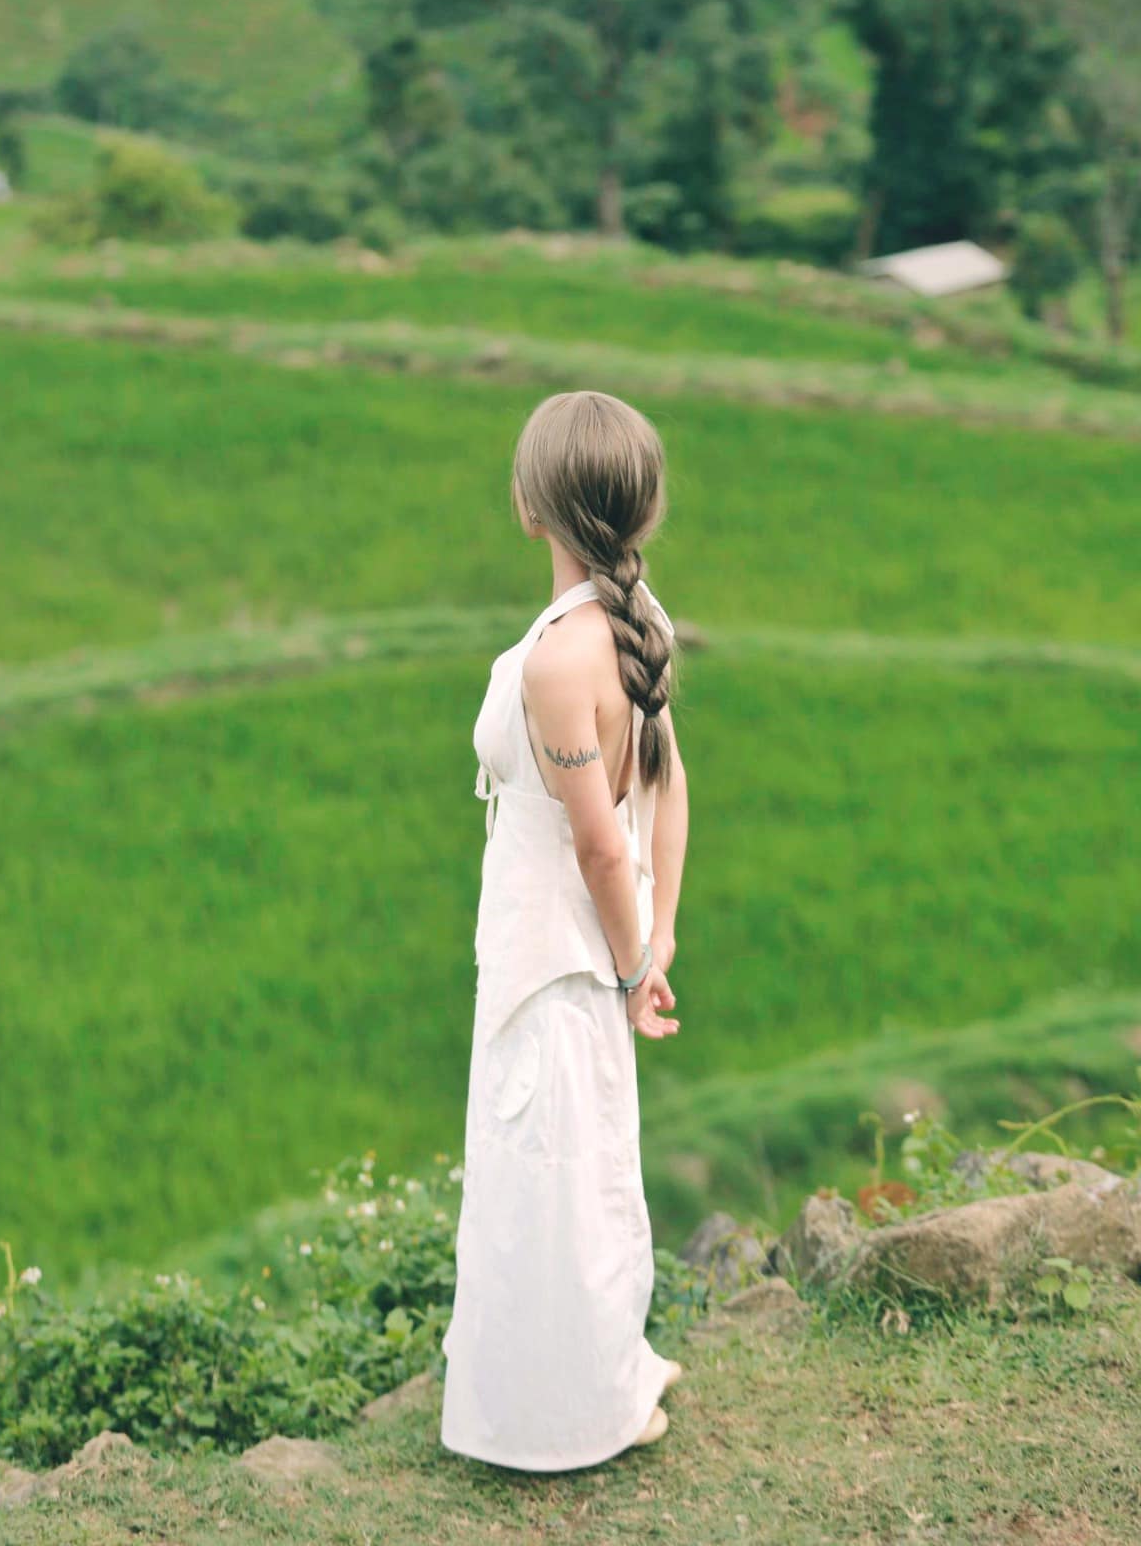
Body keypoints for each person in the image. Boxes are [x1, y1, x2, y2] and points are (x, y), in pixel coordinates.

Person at [440, 389, 690, 1472]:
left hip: (555, 953)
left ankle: (559, 1415)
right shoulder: (639, 621)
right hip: (593, 945)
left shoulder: (555, 660)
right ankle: (599, 1382)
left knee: (540, 1179)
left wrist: (635, 960)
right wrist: (656, 938)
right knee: (583, 1168)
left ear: (527, 507)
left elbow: (598, 843)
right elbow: (669, 787)